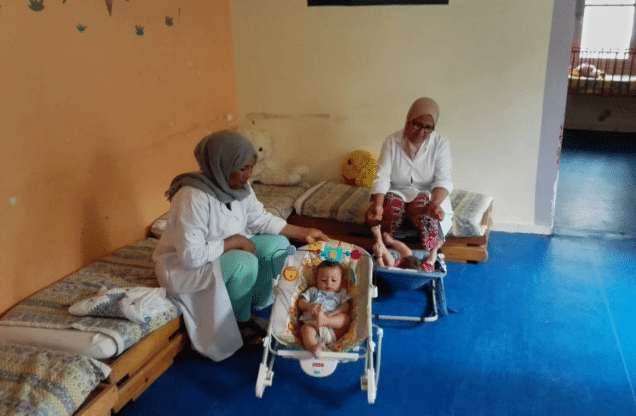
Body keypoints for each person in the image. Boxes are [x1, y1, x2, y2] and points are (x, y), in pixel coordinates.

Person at [152, 130, 329, 361]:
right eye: (243, 168)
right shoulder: (191, 196)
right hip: (187, 265)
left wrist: (305, 232)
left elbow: (260, 219)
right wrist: (236, 242)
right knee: (244, 263)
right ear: (221, 165)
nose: (249, 175)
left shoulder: (239, 188)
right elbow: (191, 256)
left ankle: (252, 304)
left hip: (224, 252)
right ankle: (238, 322)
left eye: (251, 167)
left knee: (279, 246)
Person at [366, 97, 453, 253]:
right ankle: (385, 251)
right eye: (417, 124)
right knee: (392, 207)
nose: (421, 131)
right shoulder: (392, 141)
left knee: (425, 210)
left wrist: (435, 204)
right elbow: (382, 176)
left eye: (428, 127)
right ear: (408, 120)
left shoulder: (440, 144)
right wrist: (378, 205)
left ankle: (427, 256)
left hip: (426, 193)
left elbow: (443, 180)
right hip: (396, 191)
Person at [297, 260, 352, 358]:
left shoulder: (341, 294)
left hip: (332, 330)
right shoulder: (313, 291)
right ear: (316, 279)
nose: (328, 284)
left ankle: (325, 322)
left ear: (341, 281)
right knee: (305, 329)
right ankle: (312, 346)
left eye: (334, 280)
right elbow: (300, 302)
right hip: (312, 325)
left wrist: (332, 314)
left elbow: (346, 307)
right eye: (323, 280)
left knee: (345, 319)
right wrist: (309, 306)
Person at [371, 224, 442, 272]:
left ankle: (379, 240)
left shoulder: (396, 270)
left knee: (390, 262)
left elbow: (382, 269)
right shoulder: (424, 268)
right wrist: (436, 248)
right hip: (405, 265)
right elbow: (431, 260)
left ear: (401, 262)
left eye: (402, 259)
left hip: (392, 267)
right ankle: (390, 241)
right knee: (408, 253)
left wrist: (379, 256)